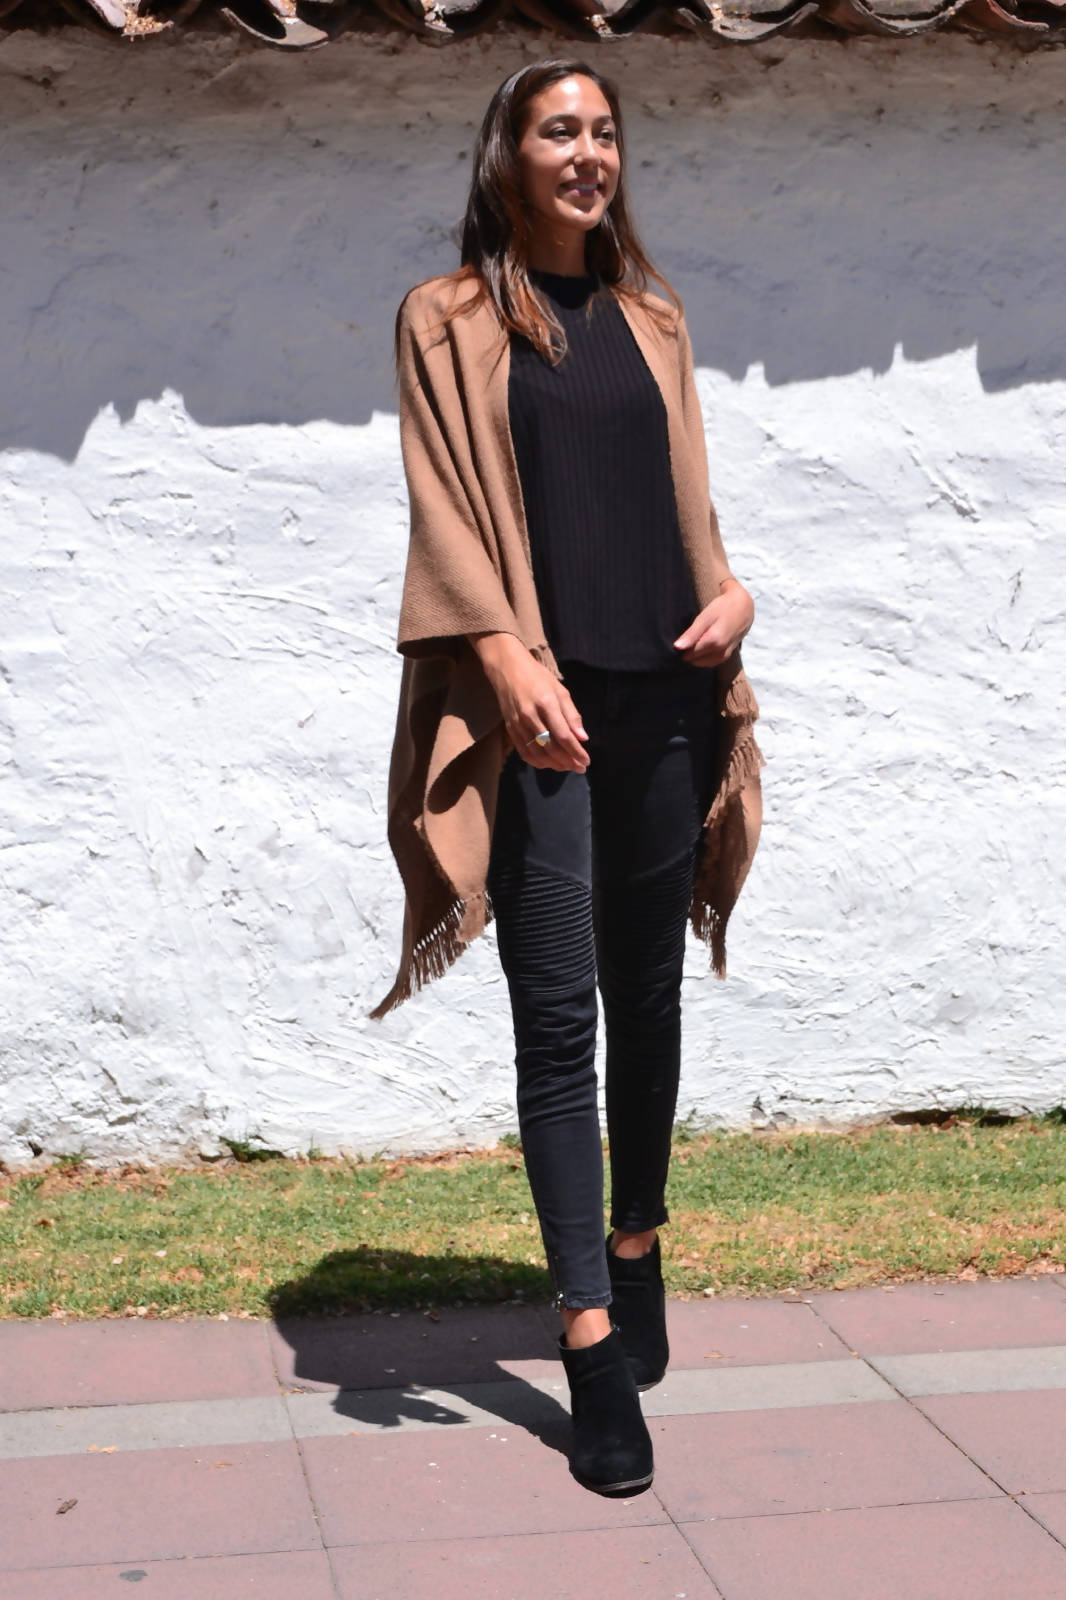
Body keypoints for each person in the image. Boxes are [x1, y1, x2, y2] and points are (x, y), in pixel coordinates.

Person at [374, 58, 763, 1497]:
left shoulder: (654, 316)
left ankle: (637, 1240)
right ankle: (591, 1345)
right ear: (510, 155)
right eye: (559, 131)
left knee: (646, 997)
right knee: (555, 1017)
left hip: (666, 697)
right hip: (537, 709)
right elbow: (443, 506)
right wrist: (501, 657)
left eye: (604, 132)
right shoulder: (447, 316)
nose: (588, 153)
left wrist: (733, 596)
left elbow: (686, 503)